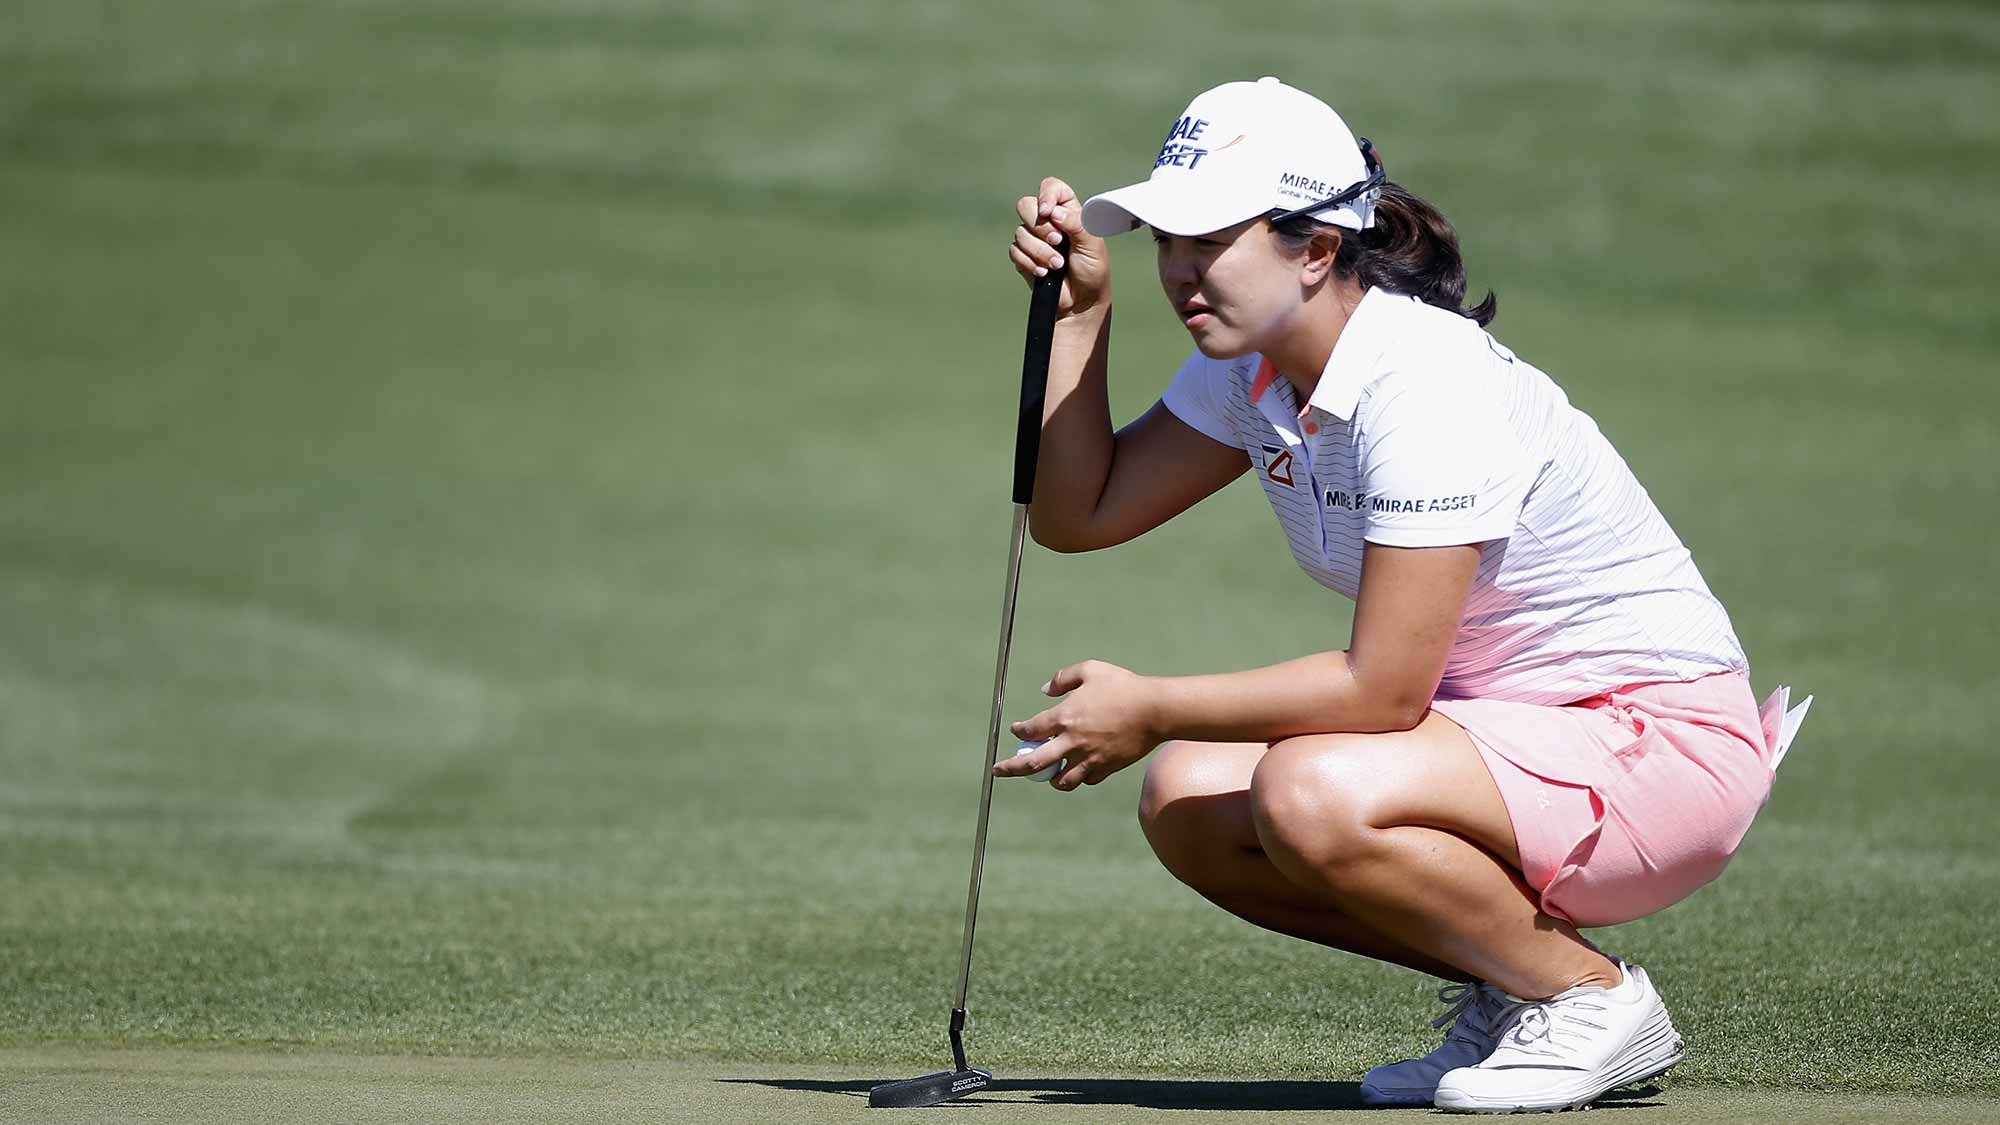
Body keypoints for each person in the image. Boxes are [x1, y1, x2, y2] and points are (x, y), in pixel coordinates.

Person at [997, 77, 1809, 1114]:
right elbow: (1080, 515)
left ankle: (1586, 1000)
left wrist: (1150, 705)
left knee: (1309, 790)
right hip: (1511, 743)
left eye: (1210, 238)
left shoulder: (1423, 382)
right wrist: (1082, 315)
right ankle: (1516, 986)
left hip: (1655, 751)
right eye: (1165, 239)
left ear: (1317, 248)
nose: (1179, 269)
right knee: (1188, 802)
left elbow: (1379, 690)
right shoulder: (1251, 370)